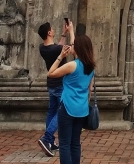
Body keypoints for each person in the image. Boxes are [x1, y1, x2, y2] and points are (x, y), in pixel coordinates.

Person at [48, 34, 96, 164]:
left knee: (64, 143)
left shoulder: (72, 65)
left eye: (74, 45)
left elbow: (51, 73)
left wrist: (61, 56)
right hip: (82, 109)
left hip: (68, 107)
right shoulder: (91, 67)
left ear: (79, 48)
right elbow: (89, 90)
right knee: (75, 143)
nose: (71, 46)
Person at [36, 19, 75, 158]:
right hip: (60, 84)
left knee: (52, 112)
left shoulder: (43, 48)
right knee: (62, 111)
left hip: (51, 84)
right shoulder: (56, 50)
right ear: (49, 32)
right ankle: (46, 138)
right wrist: (70, 31)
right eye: (52, 29)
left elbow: (58, 47)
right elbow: (73, 48)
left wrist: (63, 35)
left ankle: (50, 141)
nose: (53, 30)